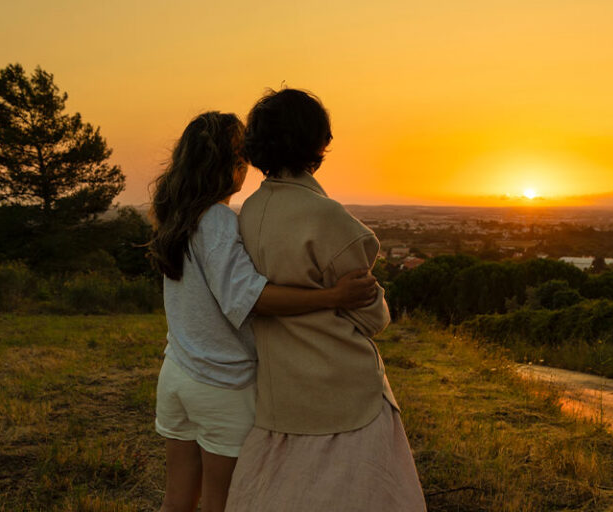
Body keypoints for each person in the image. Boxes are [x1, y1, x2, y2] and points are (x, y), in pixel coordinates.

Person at [147, 111, 378, 512]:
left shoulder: (175, 217)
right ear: (230, 164)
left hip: (177, 376)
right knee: (224, 504)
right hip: (221, 384)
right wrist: (333, 296)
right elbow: (252, 299)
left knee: (177, 502)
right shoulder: (217, 219)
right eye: (242, 157)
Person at [226, 90, 426, 511]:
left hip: (280, 391)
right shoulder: (330, 218)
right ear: (319, 144)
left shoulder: (247, 213)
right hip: (343, 390)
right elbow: (373, 318)